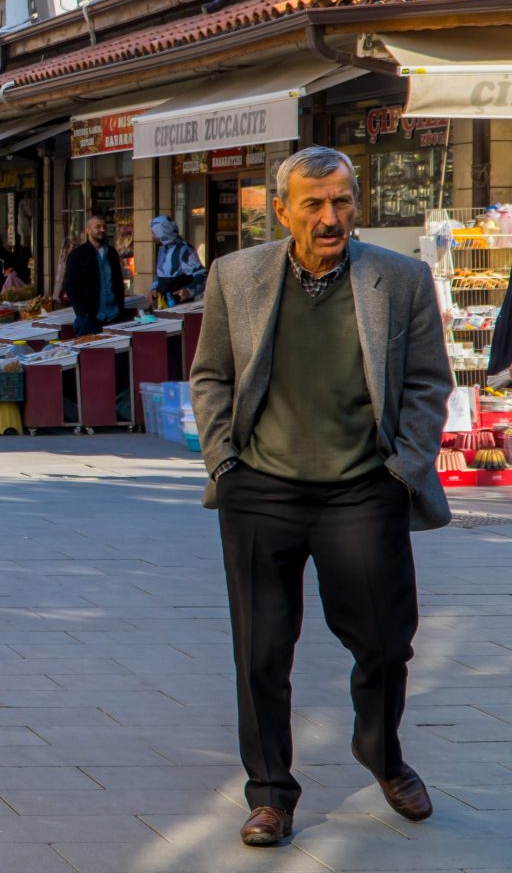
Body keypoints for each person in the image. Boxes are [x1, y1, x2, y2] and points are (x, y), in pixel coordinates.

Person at [188, 145, 451, 849]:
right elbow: (211, 374)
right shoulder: (236, 276)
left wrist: (406, 465)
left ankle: (383, 755)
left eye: (341, 201)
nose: (331, 217)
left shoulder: (398, 279)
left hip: (363, 490)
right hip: (260, 491)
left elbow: (429, 381)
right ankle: (271, 792)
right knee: (262, 651)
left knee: (386, 641)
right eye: (314, 204)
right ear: (282, 211)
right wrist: (225, 459)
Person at [62, 214, 126, 336]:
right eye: (98, 227)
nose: (102, 230)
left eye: (104, 227)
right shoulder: (78, 254)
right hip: (89, 317)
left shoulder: (112, 253)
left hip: (114, 315)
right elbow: (70, 285)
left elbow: (118, 281)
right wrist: (82, 311)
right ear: (88, 230)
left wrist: (120, 305)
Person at [150, 215, 208, 303]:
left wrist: (189, 291)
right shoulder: (162, 250)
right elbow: (160, 275)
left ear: (162, 232)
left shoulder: (184, 250)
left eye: (154, 233)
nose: (153, 237)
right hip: (163, 304)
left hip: (180, 304)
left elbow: (201, 275)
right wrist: (154, 289)